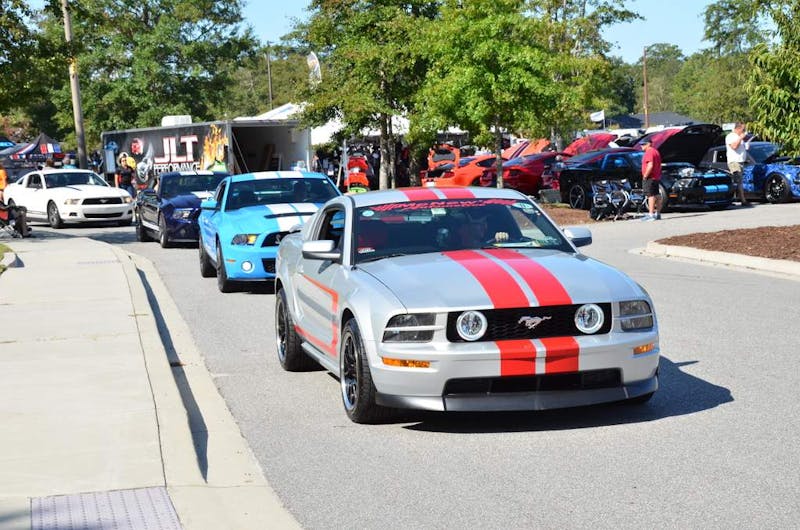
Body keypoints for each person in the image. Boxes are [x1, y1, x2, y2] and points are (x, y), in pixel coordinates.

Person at [726, 122, 752, 206]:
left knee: (739, 181)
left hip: (741, 162)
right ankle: (741, 200)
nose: (744, 131)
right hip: (734, 162)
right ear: (738, 128)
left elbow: (741, 148)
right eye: (743, 129)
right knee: (737, 180)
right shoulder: (731, 136)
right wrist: (740, 138)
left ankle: (739, 199)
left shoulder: (739, 137)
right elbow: (734, 146)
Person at [640, 138, 662, 221]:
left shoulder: (649, 152)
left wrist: (645, 175)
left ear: (649, 144)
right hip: (656, 177)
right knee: (657, 195)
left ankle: (651, 215)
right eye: (641, 144)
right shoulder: (656, 151)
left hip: (650, 177)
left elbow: (650, 165)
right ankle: (658, 214)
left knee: (650, 195)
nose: (641, 146)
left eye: (643, 144)